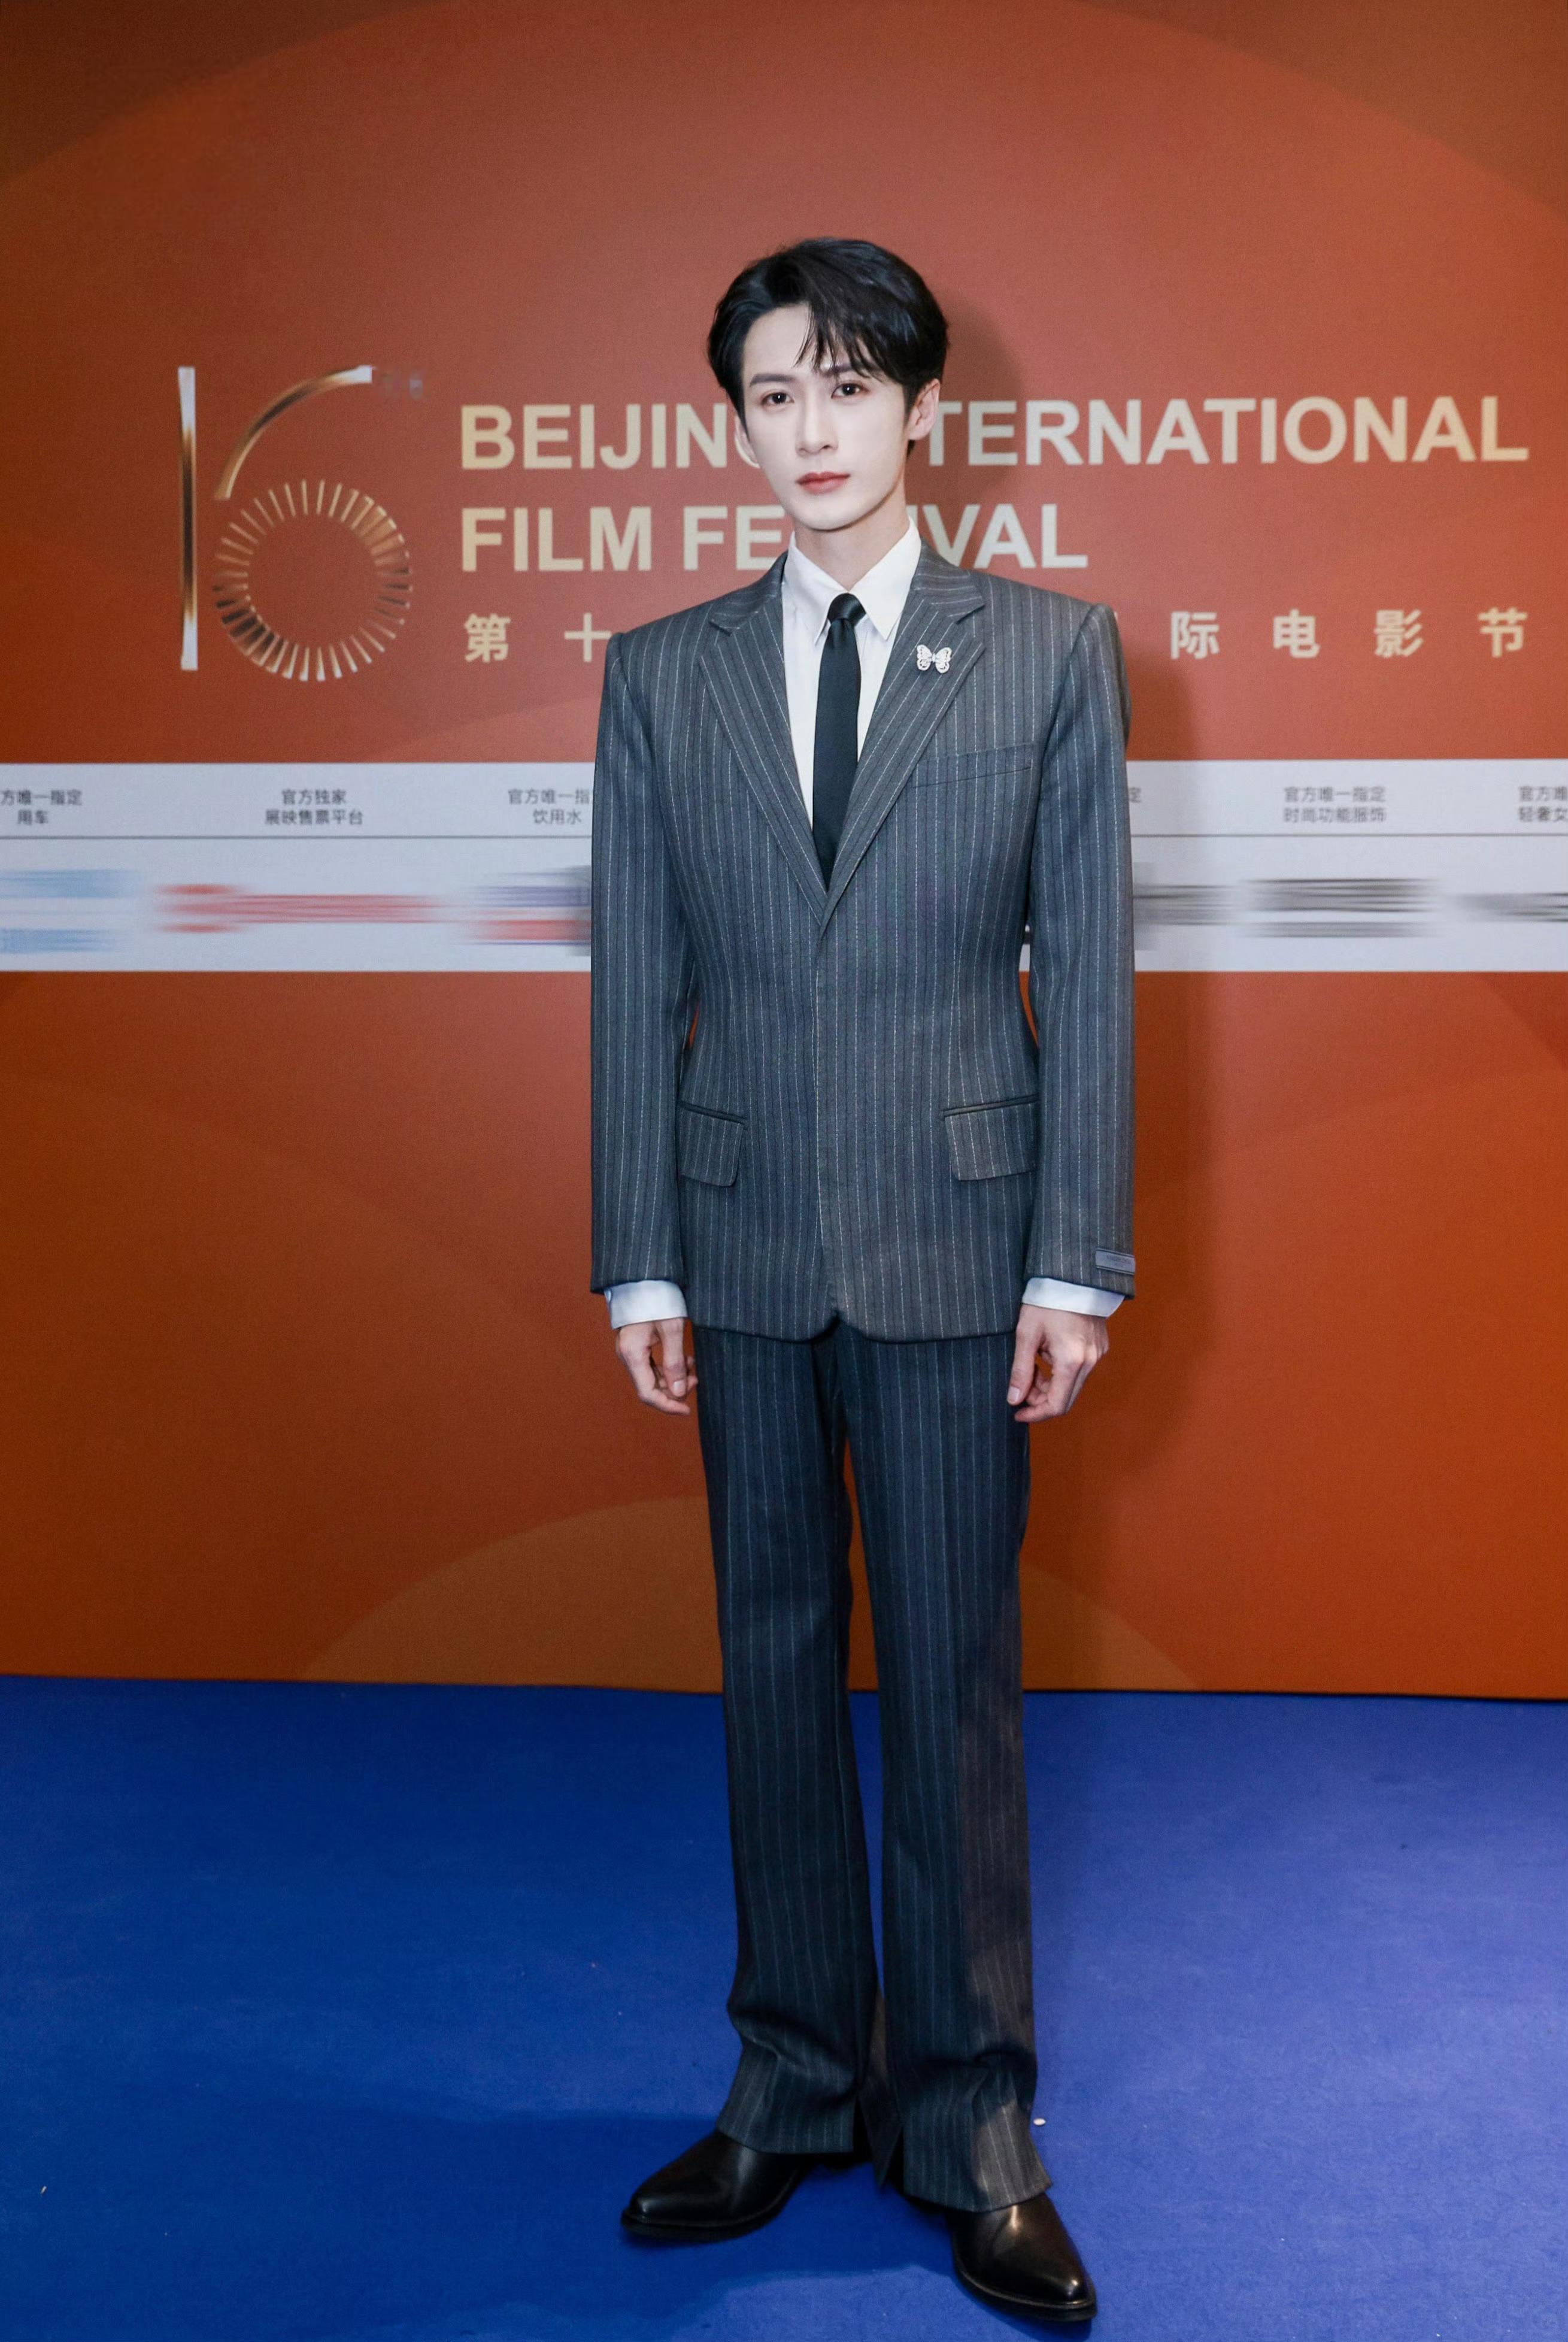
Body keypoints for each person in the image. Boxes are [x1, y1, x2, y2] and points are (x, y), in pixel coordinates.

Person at [589, 237, 1134, 2325]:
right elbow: (637, 980)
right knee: (766, 1667)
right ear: (734, 422)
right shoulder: (662, 673)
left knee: (957, 1686)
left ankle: (973, 2122)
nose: (808, 431)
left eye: (843, 386)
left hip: (961, 1248)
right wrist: (636, 1253)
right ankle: (793, 2085)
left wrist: (1075, 1259)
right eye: (770, 394)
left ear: (918, 405)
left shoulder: (1050, 653)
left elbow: (1088, 975)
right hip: (733, 1250)